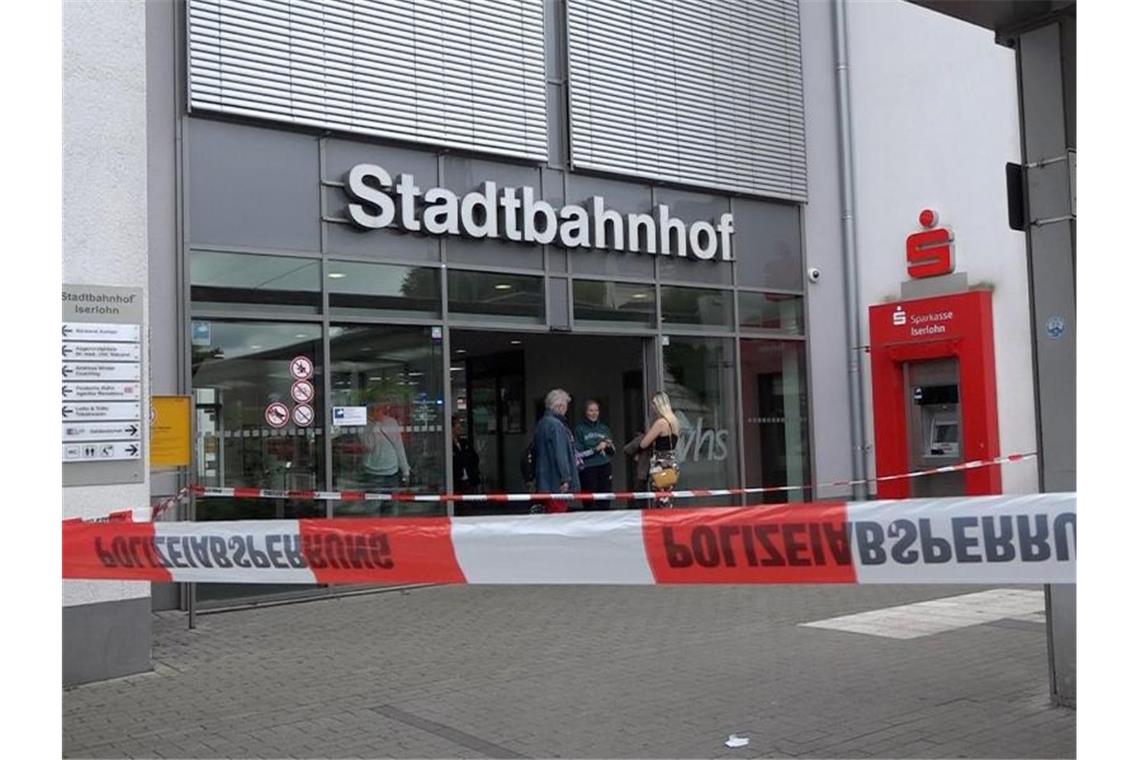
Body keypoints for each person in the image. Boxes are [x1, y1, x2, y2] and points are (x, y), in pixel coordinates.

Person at [532, 388, 580, 513]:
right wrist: (565, 478)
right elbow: (561, 453)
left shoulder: (541, 424)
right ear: (560, 406)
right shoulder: (557, 425)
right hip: (555, 481)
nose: (566, 410)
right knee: (558, 516)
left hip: (544, 479)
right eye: (565, 406)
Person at [361, 403, 410, 514]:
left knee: (391, 508)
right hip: (373, 472)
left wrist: (405, 469)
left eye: (380, 408)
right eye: (375, 408)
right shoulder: (365, 424)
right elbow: (368, 446)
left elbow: (399, 446)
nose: (378, 411)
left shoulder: (391, 422)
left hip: (391, 471)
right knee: (373, 509)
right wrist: (374, 427)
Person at [638, 391, 681, 507]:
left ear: (658, 405)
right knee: (667, 498)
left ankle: (662, 523)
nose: (652, 408)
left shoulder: (661, 423)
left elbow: (643, 443)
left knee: (659, 499)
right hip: (671, 463)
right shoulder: (674, 421)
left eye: (654, 404)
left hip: (660, 465)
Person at [575, 400, 615, 511]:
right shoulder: (580, 429)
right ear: (585, 412)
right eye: (591, 410)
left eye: (596, 410)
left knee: (605, 497)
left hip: (604, 465)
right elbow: (578, 454)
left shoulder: (604, 428)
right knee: (590, 500)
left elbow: (612, 452)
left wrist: (608, 445)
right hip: (588, 468)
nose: (594, 413)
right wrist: (596, 449)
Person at [451, 414, 481, 494]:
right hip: (456, 482)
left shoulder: (464, 443)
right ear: (452, 428)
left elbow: (474, 458)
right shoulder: (448, 446)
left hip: (469, 481)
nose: (460, 427)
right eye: (457, 425)